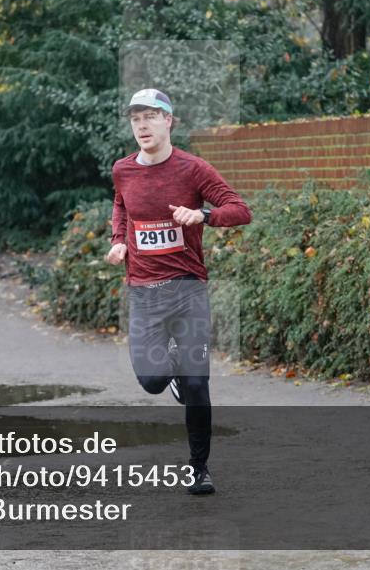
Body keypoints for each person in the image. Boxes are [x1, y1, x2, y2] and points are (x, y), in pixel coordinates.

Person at [107, 88, 252, 495]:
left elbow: (240, 210)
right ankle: (170, 371)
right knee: (152, 380)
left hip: (188, 290)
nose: (142, 125)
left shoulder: (193, 169)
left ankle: (199, 469)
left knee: (197, 384)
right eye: (136, 118)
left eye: (150, 116)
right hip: (144, 293)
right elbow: (121, 205)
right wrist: (119, 241)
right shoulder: (123, 170)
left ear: (168, 121)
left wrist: (202, 215)